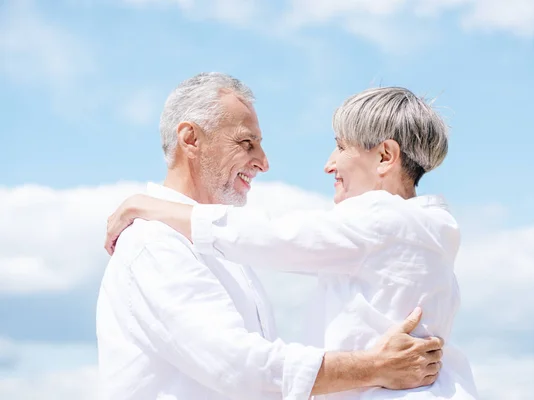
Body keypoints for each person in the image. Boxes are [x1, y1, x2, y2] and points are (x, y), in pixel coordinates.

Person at [105, 85, 479, 399]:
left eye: (341, 147)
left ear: (385, 156)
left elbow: (273, 237)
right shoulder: (155, 243)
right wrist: (374, 366)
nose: (329, 164)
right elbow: (241, 368)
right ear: (191, 140)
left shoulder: (383, 220)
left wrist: (149, 206)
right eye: (246, 142)